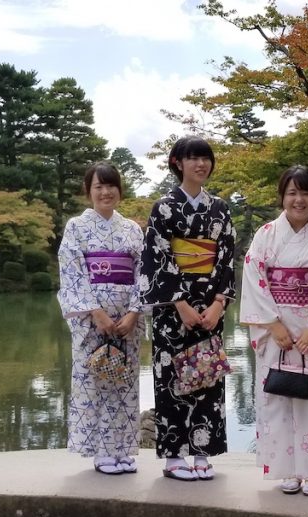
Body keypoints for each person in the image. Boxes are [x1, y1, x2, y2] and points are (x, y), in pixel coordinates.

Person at [240, 165, 308, 497]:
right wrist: (272, 325)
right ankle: (286, 470)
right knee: (276, 399)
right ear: (282, 197)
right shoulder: (265, 235)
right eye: (291, 192)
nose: (298, 199)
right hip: (276, 330)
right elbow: (254, 278)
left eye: (305, 192)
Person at [137, 136, 237, 481]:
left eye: (205, 158)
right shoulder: (163, 208)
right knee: (171, 380)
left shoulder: (220, 209)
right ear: (177, 162)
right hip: (172, 309)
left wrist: (219, 304)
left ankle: (203, 453)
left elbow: (226, 259)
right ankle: (175, 457)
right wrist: (179, 302)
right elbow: (156, 258)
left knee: (207, 376)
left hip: (210, 307)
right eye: (192, 158)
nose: (201, 164)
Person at [57, 161, 144, 475]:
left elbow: (142, 274)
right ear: (88, 191)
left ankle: (122, 449)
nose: (106, 192)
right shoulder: (76, 228)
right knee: (94, 381)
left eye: (111, 186)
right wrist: (96, 312)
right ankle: (100, 452)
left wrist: (134, 312)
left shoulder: (133, 229)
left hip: (126, 323)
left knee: (124, 383)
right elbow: (72, 273)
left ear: (119, 190)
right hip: (92, 319)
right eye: (99, 186)